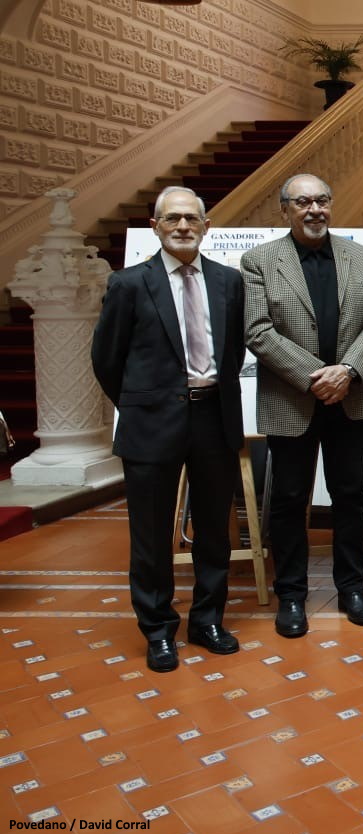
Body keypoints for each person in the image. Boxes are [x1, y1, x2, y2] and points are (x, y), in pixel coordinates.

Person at [91, 187, 245, 672]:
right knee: (152, 534)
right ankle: (158, 629)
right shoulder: (129, 284)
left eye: (191, 219)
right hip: (151, 421)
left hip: (213, 417)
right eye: (172, 219)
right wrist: (142, 404)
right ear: (156, 227)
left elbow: (234, 351)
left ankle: (207, 620)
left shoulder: (228, 282)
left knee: (215, 530)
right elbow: (106, 360)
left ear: (205, 227)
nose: (182, 226)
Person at [242, 173, 363, 638]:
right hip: (292, 400)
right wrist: (315, 377)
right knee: (287, 501)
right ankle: (291, 595)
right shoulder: (260, 260)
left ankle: (351, 588)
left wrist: (347, 371)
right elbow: (259, 331)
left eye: (322, 200)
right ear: (284, 210)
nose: (314, 209)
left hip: (350, 397)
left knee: (350, 497)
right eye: (303, 202)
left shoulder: (357, 255)